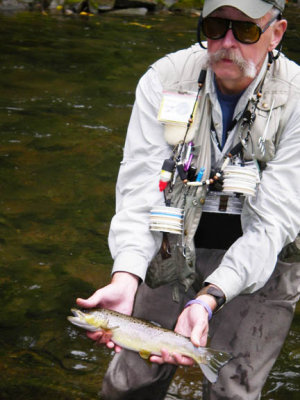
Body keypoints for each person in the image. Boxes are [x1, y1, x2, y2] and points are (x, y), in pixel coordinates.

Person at [76, 0, 300, 399]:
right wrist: (126, 274)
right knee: (129, 381)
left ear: (276, 33)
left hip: (267, 255)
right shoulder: (163, 79)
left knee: (234, 387)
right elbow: (138, 192)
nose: (226, 42)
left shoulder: (298, 99)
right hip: (172, 239)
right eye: (215, 26)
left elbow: (273, 225)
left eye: (245, 30)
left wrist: (208, 300)